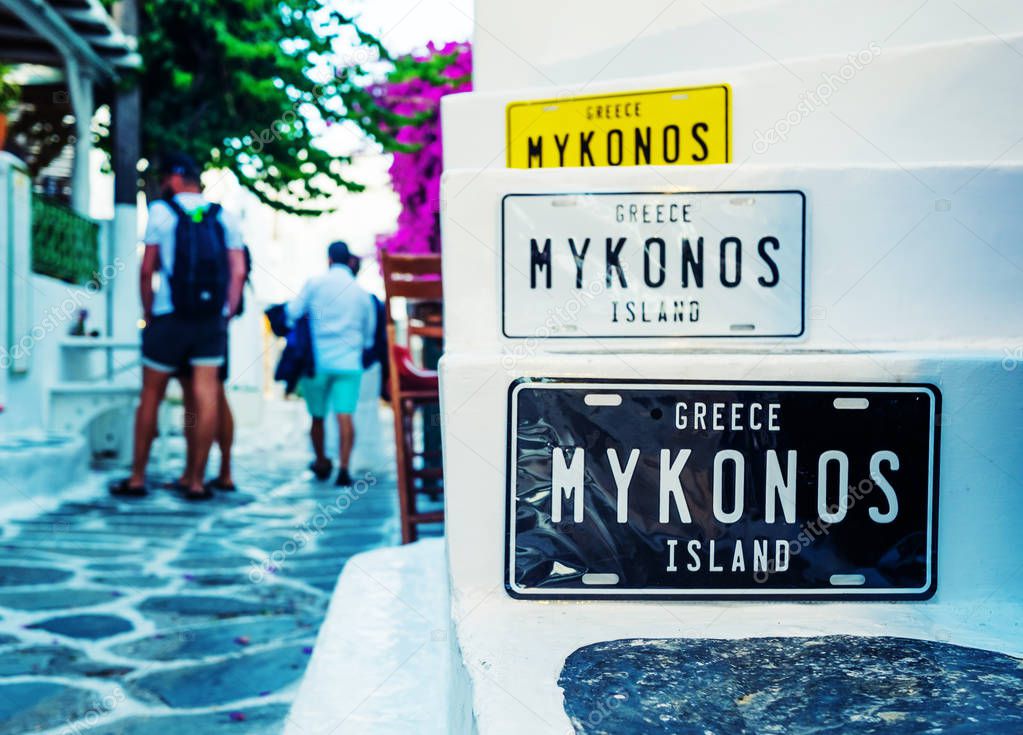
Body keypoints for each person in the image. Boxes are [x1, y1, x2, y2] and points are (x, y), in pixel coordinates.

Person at [111, 152, 247, 500]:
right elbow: (238, 271)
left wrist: (150, 311)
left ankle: (138, 477)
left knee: (151, 395)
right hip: (209, 320)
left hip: (170, 316)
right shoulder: (224, 215)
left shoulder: (161, 212)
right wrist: (226, 312)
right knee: (206, 396)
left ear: (174, 177)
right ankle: (198, 480)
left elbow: (147, 269)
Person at [288, 241, 376, 486]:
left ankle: (321, 460)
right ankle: (344, 468)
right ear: (349, 260)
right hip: (349, 364)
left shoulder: (315, 284)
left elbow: (293, 312)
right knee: (345, 416)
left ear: (328, 259)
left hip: (317, 362)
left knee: (317, 417)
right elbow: (369, 335)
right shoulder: (361, 293)